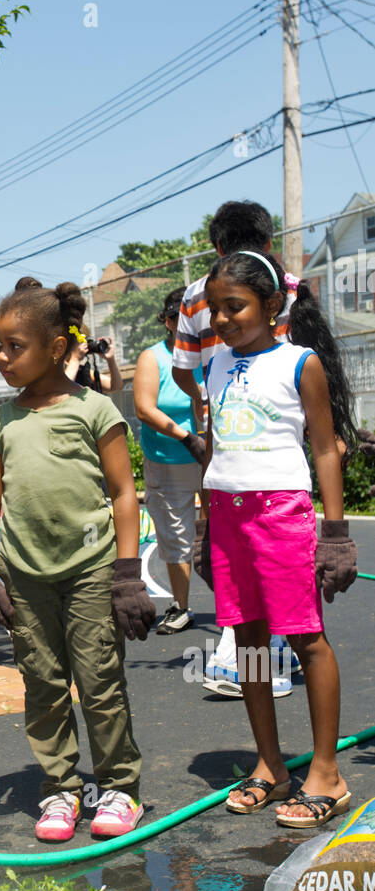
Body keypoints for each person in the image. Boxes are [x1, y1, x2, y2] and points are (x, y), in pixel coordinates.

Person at [0, 276, 154, 843]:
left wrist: (127, 577)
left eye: (14, 347)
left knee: (99, 682)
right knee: (43, 685)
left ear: (54, 347)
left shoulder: (95, 410)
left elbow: (125, 492)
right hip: (25, 578)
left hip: (93, 573)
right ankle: (60, 790)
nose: (2, 358)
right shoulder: (2, 419)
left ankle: (119, 788)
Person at [194, 249, 357, 826]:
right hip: (227, 513)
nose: (220, 319)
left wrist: (335, 533)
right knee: (250, 640)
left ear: (270, 304)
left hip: (280, 514)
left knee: (306, 637)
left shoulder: (300, 362)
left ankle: (327, 773)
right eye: (213, 308)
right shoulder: (213, 367)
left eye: (233, 306)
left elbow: (323, 449)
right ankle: (270, 765)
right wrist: (204, 520)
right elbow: (217, 447)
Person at [172, 199, 299, 694]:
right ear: (269, 242)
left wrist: (211, 400)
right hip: (281, 440)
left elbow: (183, 369)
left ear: (217, 246)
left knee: (234, 542)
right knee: (277, 544)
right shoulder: (290, 288)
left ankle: (260, 643)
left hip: (226, 441)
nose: (225, 318)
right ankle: (267, 643)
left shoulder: (194, 295)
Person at [133, 288, 205, 633]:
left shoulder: (213, 352)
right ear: (166, 320)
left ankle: (239, 611)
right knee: (177, 535)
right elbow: (145, 408)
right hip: (168, 459)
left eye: (187, 315)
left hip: (213, 458)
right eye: (175, 316)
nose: (181, 322)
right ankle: (181, 606)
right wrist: (187, 438)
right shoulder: (154, 357)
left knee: (223, 532)